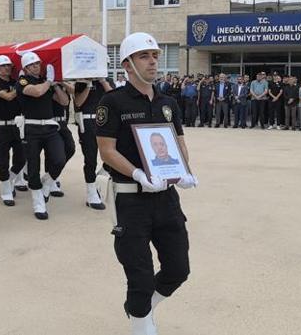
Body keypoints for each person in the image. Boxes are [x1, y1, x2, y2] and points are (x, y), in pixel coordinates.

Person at [96, 32, 197, 335]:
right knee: (138, 276)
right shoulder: (112, 101)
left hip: (166, 199)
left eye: (154, 55)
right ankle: (141, 322)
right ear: (127, 65)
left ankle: (141, 310)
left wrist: (185, 172)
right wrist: (139, 174)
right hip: (130, 200)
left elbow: (178, 143)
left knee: (178, 269)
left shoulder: (168, 102)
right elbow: (106, 150)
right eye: (144, 56)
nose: (153, 61)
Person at [16, 52, 69, 220]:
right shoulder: (23, 81)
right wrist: (48, 81)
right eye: (32, 65)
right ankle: (38, 200)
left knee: (60, 158)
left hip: (50, 127)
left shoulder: (46, 82)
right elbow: (37, 92)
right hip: (32, 128)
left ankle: (48, 180)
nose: (36, 66)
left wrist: (56, 86)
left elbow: (64, 102)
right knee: (33, 165)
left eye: (38, 63)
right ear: (25, 68)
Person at [0, 55, 26, 207]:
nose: (7, 68)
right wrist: (20, 86)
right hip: (1, 126)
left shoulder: (16, 82)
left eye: (8, 65)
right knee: (3, 159)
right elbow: (8, 97)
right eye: (3, 66)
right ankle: (5, 191)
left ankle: (9, 179)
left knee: (21, 158)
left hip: (17, 125)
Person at [75, 77, 114, 210]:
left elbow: (114, 98)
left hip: (106, 121)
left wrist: (103, 82)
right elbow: (78, 102)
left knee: (113, 156)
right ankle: (91, 193)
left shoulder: (107, 80)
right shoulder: (82, 82)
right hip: (88, 122)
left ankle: (98, 179)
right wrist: (88, 85)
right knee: (90, 159)